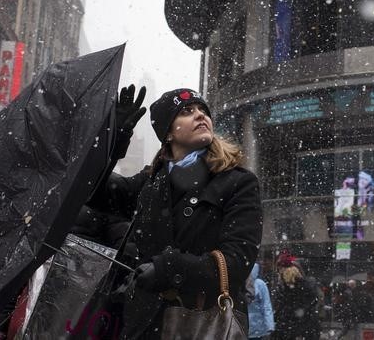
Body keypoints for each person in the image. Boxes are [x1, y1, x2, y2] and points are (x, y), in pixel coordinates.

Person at [88, 87, 263, 339]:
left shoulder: (238, 182)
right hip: (144, 326)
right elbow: (94, 191)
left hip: (202, 325)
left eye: (203, 110)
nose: (200, 115)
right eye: (187, 111)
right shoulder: (150, 183)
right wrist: (115, 139)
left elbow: (237, 262)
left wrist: (168, 269)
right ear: (168, 132)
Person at [273, 251, 321, 340]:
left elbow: (282, 308)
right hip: (304, 328)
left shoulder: (286, 288)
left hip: (293, 328)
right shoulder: (307, 285)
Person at [247, 263, 275, 340]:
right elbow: (266, 305)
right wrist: (269, 325)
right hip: (257, 327)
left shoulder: (240, 283)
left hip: (244, 326)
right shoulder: (260, 284)